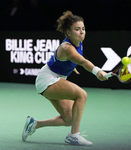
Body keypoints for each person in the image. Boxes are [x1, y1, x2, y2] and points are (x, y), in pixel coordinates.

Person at [22, 10, 107, 146]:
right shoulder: (66, 47)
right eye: (77, 29)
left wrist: (70, 66)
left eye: (83, 29)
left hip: (57, 78)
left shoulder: (78, 42)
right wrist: (97, 71)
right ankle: (74, 136)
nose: (81, 32)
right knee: (82, 95)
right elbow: (82, 61)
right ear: (68, 32)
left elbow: (71, 60)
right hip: (48, 79)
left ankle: (34, 124)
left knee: (69, 119)